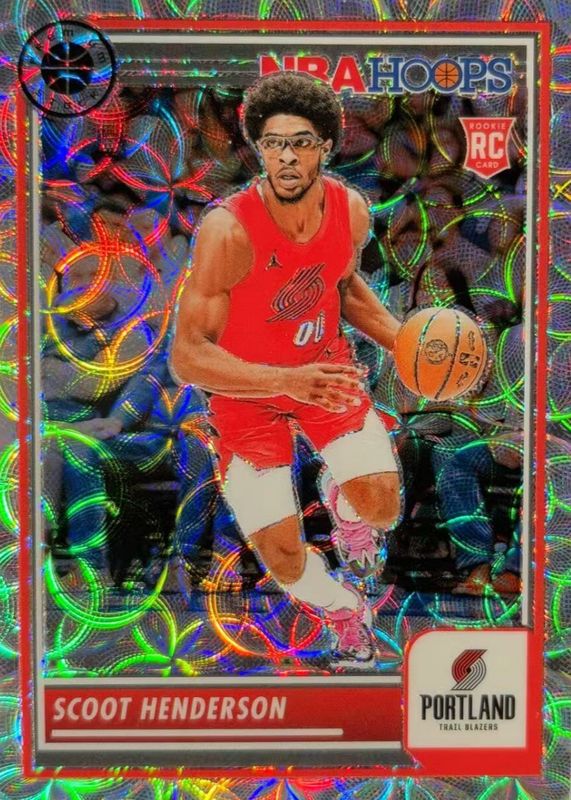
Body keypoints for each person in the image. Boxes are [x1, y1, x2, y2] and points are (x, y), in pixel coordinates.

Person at [171, 72, 402, 668]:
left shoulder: (350, 209)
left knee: (381, 507)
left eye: (300, 142)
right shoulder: (227, 229)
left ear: (326, 147)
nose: (287, 156)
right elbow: (187, 355)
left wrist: (402, 340)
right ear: (259, 148)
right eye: (273, 143)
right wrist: (283, 380)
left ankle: (345, 508)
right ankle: (344, 608)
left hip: (324, 372)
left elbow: (341, 287)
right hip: (247, 394)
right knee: (284, 559)